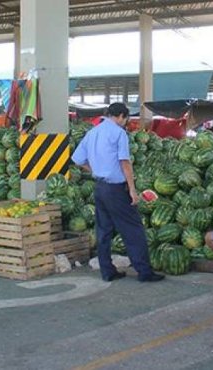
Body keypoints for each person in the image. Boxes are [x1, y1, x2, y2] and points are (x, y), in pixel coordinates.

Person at [71, 102, 163, 283]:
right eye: (125, 118)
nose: (125, 122)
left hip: (100, 187)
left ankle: (107, 271)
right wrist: (132, 190)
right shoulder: (119, 133)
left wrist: (96, 171)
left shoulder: (92, 132)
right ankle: (144, 272)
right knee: (133, 229)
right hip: (116, 189)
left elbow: (78, 159)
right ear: (121, 116)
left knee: (103, 231)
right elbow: (125, 163)